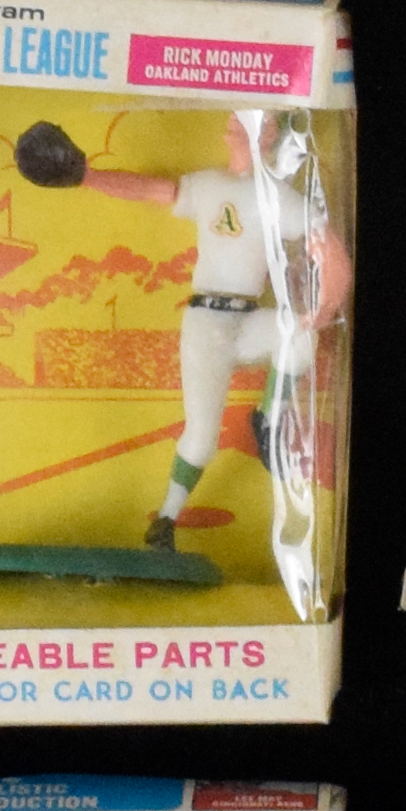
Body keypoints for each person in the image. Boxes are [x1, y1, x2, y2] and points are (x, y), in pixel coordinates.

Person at [73, 115, 348, 552]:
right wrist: (87, 177)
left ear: (268, 135)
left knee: (299, 335)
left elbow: (329, 248)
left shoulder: (277, 197)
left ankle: (269, 420)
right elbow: (152, 190)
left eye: (247, 121)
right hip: (207, 322)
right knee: (201, 437)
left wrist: (325, 307)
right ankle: (166, 519)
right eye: (233, 121)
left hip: (247, 319)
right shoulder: (209, 185)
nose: (230, 128)